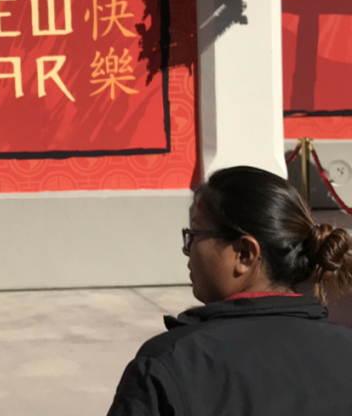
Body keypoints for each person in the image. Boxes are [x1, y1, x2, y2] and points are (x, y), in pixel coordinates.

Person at [107, 165, 352, 416]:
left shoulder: (172, 363)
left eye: (195, 234)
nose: (187, 250)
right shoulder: (345, 350)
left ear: (244, 254)